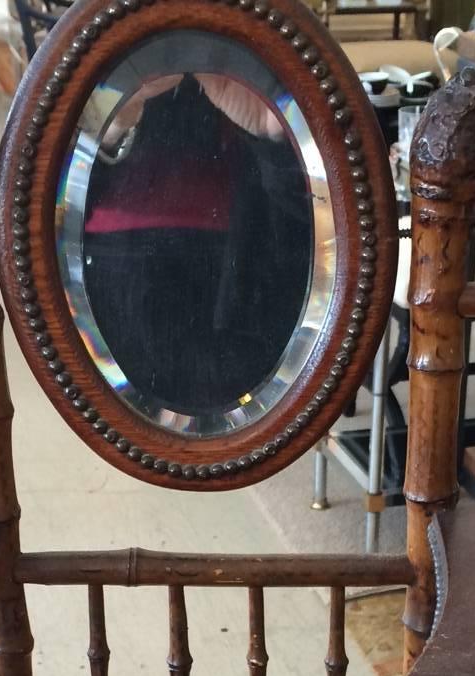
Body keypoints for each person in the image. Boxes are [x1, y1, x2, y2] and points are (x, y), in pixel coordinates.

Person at [82, 71, 313, 427]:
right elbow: (40, 197)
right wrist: (110, 123)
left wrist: (273, 135)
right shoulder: (101, 41)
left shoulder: (259, 50)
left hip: (244, 264)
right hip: (117, 263)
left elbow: (317, 229)